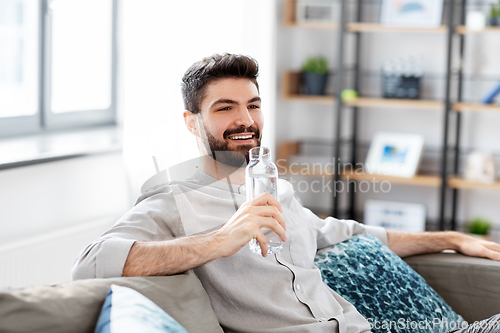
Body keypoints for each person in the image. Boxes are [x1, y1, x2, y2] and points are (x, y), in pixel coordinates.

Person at [72, 53, 500, 333]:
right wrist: (220, 241)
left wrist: (450, 239)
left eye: (253, 105)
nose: (246, 120)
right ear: (191, 120)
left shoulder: (278, 189)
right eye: (225, 108)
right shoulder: (173, 200)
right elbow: (90, 264)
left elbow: (347, 233)